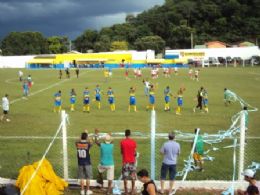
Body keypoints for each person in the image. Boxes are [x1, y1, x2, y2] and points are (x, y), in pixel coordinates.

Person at [120, 129, 137, 195]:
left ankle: (126, 191)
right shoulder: (133, 142)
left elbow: (121, 152)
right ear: (130, 134)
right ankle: (132, 191)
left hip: (125, 162)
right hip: (132, 162)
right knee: (132, 177)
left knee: (125, 177)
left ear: (125, 134)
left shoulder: (122, 142)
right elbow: (135, 152)